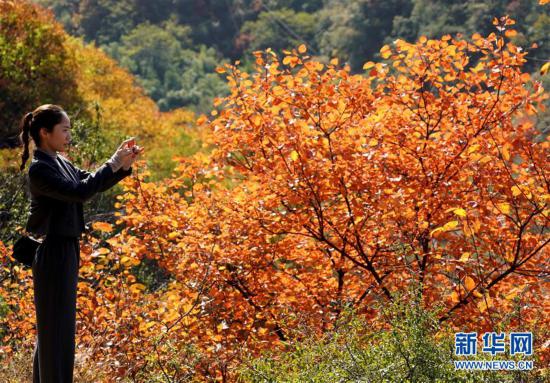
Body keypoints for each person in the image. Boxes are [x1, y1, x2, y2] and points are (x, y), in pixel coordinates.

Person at [19, 104, 143, 382]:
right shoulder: (40, 169)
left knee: (56, 329)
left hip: (66, 250)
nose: (68, 135)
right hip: (52, 251)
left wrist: (121, 167)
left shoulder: (59, 161)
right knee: (55, 330)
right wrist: (111, 163)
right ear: (45, 132)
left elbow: (87, 181)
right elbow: (80, 192)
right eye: (64, 130)